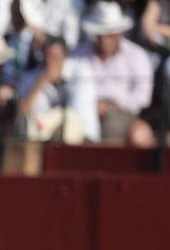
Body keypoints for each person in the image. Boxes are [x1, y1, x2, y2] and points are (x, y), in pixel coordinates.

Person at [71, 1, 155, 146]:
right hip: (82, 110)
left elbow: (142, 97)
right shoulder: (79, 54)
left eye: (108, 34)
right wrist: (91, 105)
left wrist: (111, 106)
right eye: (100, 34)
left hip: (122, 113)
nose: (103, 40)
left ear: (119, 33)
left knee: (113, 126)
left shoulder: (136, 55)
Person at [17, 34, 99, 142]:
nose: (50, 61)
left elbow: (78, 114)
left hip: (82, 140)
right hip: (42, 141)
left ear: (65, 56)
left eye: (55, 57)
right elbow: (22, 114)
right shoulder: (31, 77)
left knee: (70, 122)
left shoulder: (82, 71)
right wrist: (41, 82)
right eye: (47, 56)